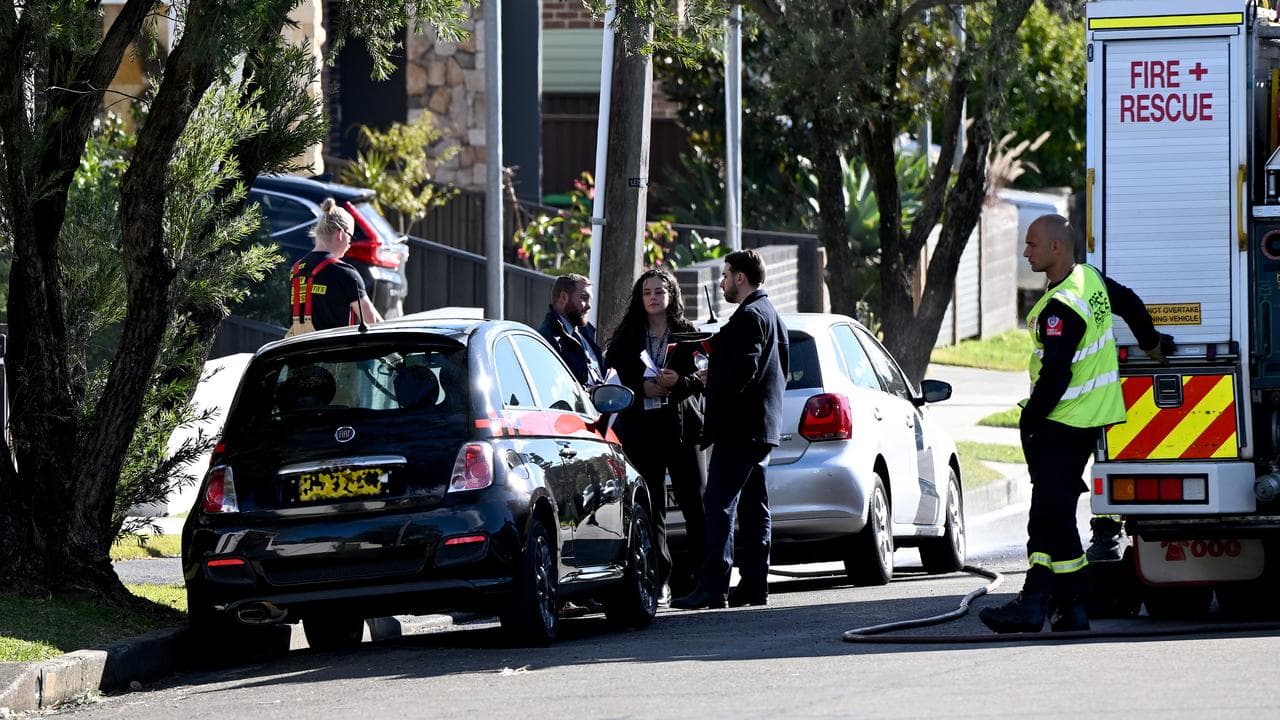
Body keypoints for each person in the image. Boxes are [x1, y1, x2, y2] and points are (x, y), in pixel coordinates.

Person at [979, 214, 1175, 634]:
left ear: (1056, 249)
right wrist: (1151, 343)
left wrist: (1031, 418)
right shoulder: (1090, 280)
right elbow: (1130, 302)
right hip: (1085, 420)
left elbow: (1056, 375)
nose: (1025, 252)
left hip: (1061, 421)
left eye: (1031, 244)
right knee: (1051, 514)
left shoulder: (1061, 308)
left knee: (1052, 516)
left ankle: (1051, 604)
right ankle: (1065, 609)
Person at [672, 249, 788, 610]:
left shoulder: (751, 315)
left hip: (741, 428)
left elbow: (745, 370)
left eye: (725, 275)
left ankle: (714, 586)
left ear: (741, 277)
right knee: (754, 508)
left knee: (719, 504)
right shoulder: (770, 313)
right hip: (761, 428)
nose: (721, 282)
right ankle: (754, 585)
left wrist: (711, 381)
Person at [605, 268, 708, 602]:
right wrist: (642, 388)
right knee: (651, 508)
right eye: (647, 292)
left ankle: (696, 578)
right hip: (642, 431)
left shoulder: (687, 332)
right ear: (640, 298)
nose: (653, 297)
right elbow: (613, 381)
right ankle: (658, 577)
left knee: (695, 503)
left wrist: (679, 381)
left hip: (682, 429)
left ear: (671, 295)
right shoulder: (626, 337)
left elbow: (704, 376)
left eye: (659, 291)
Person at [288, 198, 383, 333]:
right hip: (334, 352)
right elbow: (374, 323)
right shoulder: (345, 273)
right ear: (341, 234)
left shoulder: (296, 270)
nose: (349, 245)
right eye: (350, 237)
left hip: (297, 352)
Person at [538, 273, 606, 386]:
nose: (589, 306)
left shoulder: (585, 333)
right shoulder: (548, 339)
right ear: (563, 298)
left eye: (590, 300)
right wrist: (587, 394)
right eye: (584, 298)